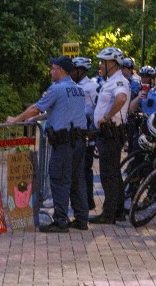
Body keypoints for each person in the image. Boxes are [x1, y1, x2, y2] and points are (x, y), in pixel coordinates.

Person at [8, 56, 88, 233]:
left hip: (64, 143)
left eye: (52, 68)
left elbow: (35, 107)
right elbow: (62, 111)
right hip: (79, 141)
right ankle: (82, 219)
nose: (50, 72)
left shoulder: (57, 88)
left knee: (59, 179)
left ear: (60, 70)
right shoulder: (78, 90)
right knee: (77, 180)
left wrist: (16, 120)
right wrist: (37, 119)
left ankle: (61, 221)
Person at [88, 47, 130, 225]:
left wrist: (105, 117)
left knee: (108, 174)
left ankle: (109, 213)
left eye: (102, 61)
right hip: (107, 133)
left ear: (111, 63)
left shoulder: (118, 81)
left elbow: (120, 99)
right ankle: (118, 210)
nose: (100, 64)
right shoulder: (111, 80)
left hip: (111, 133)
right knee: (113, 173)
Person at [71, 56, 98, 215]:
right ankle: (87, 201)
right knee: (81, 168)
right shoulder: (74, 86)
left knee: (85, 167)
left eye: (74, 70)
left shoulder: (91, 86)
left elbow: (97, 107)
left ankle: (88, 201)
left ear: (81, 70)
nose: (71, 73)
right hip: (78, 131)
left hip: (88, 131)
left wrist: (94, 129)